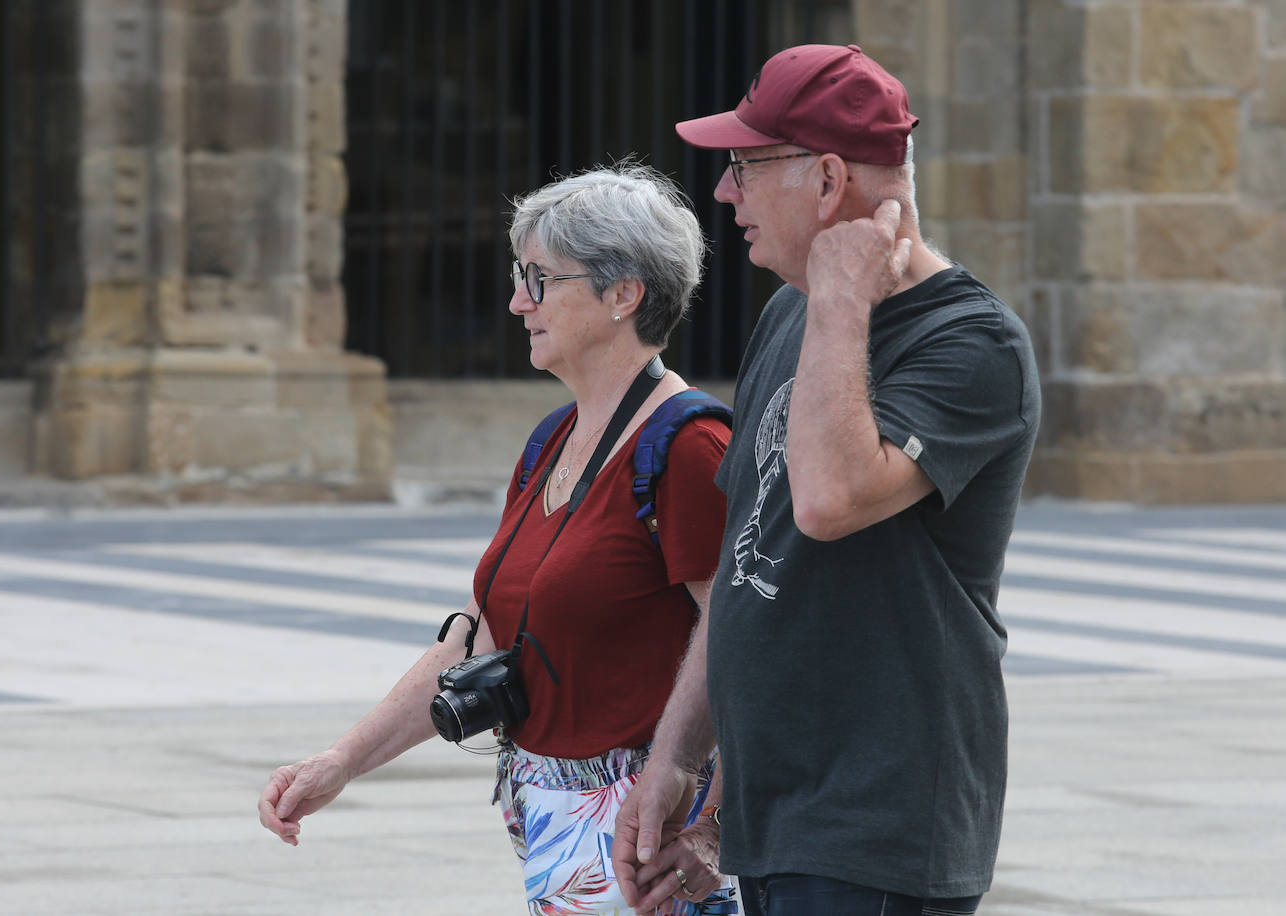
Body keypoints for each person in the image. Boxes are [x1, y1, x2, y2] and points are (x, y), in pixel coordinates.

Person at [612, 45, 1042, 916]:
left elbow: (827, 502)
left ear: (829, 177)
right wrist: (678, 762)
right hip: (774, 815)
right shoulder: (791, 311)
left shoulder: (973, 344)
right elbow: (747, 556)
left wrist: (845, 301)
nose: (725, 194)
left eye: (744, 165)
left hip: (877, 830)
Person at [258, 162, 738, 915]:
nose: (517, 301)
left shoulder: (688, 448)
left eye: (540, 279)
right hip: (553, 827)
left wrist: (713, 829)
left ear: (624, 294)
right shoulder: (554, 439)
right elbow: (484, 636)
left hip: (649, 841)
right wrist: (340, 762)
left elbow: (747, 639)